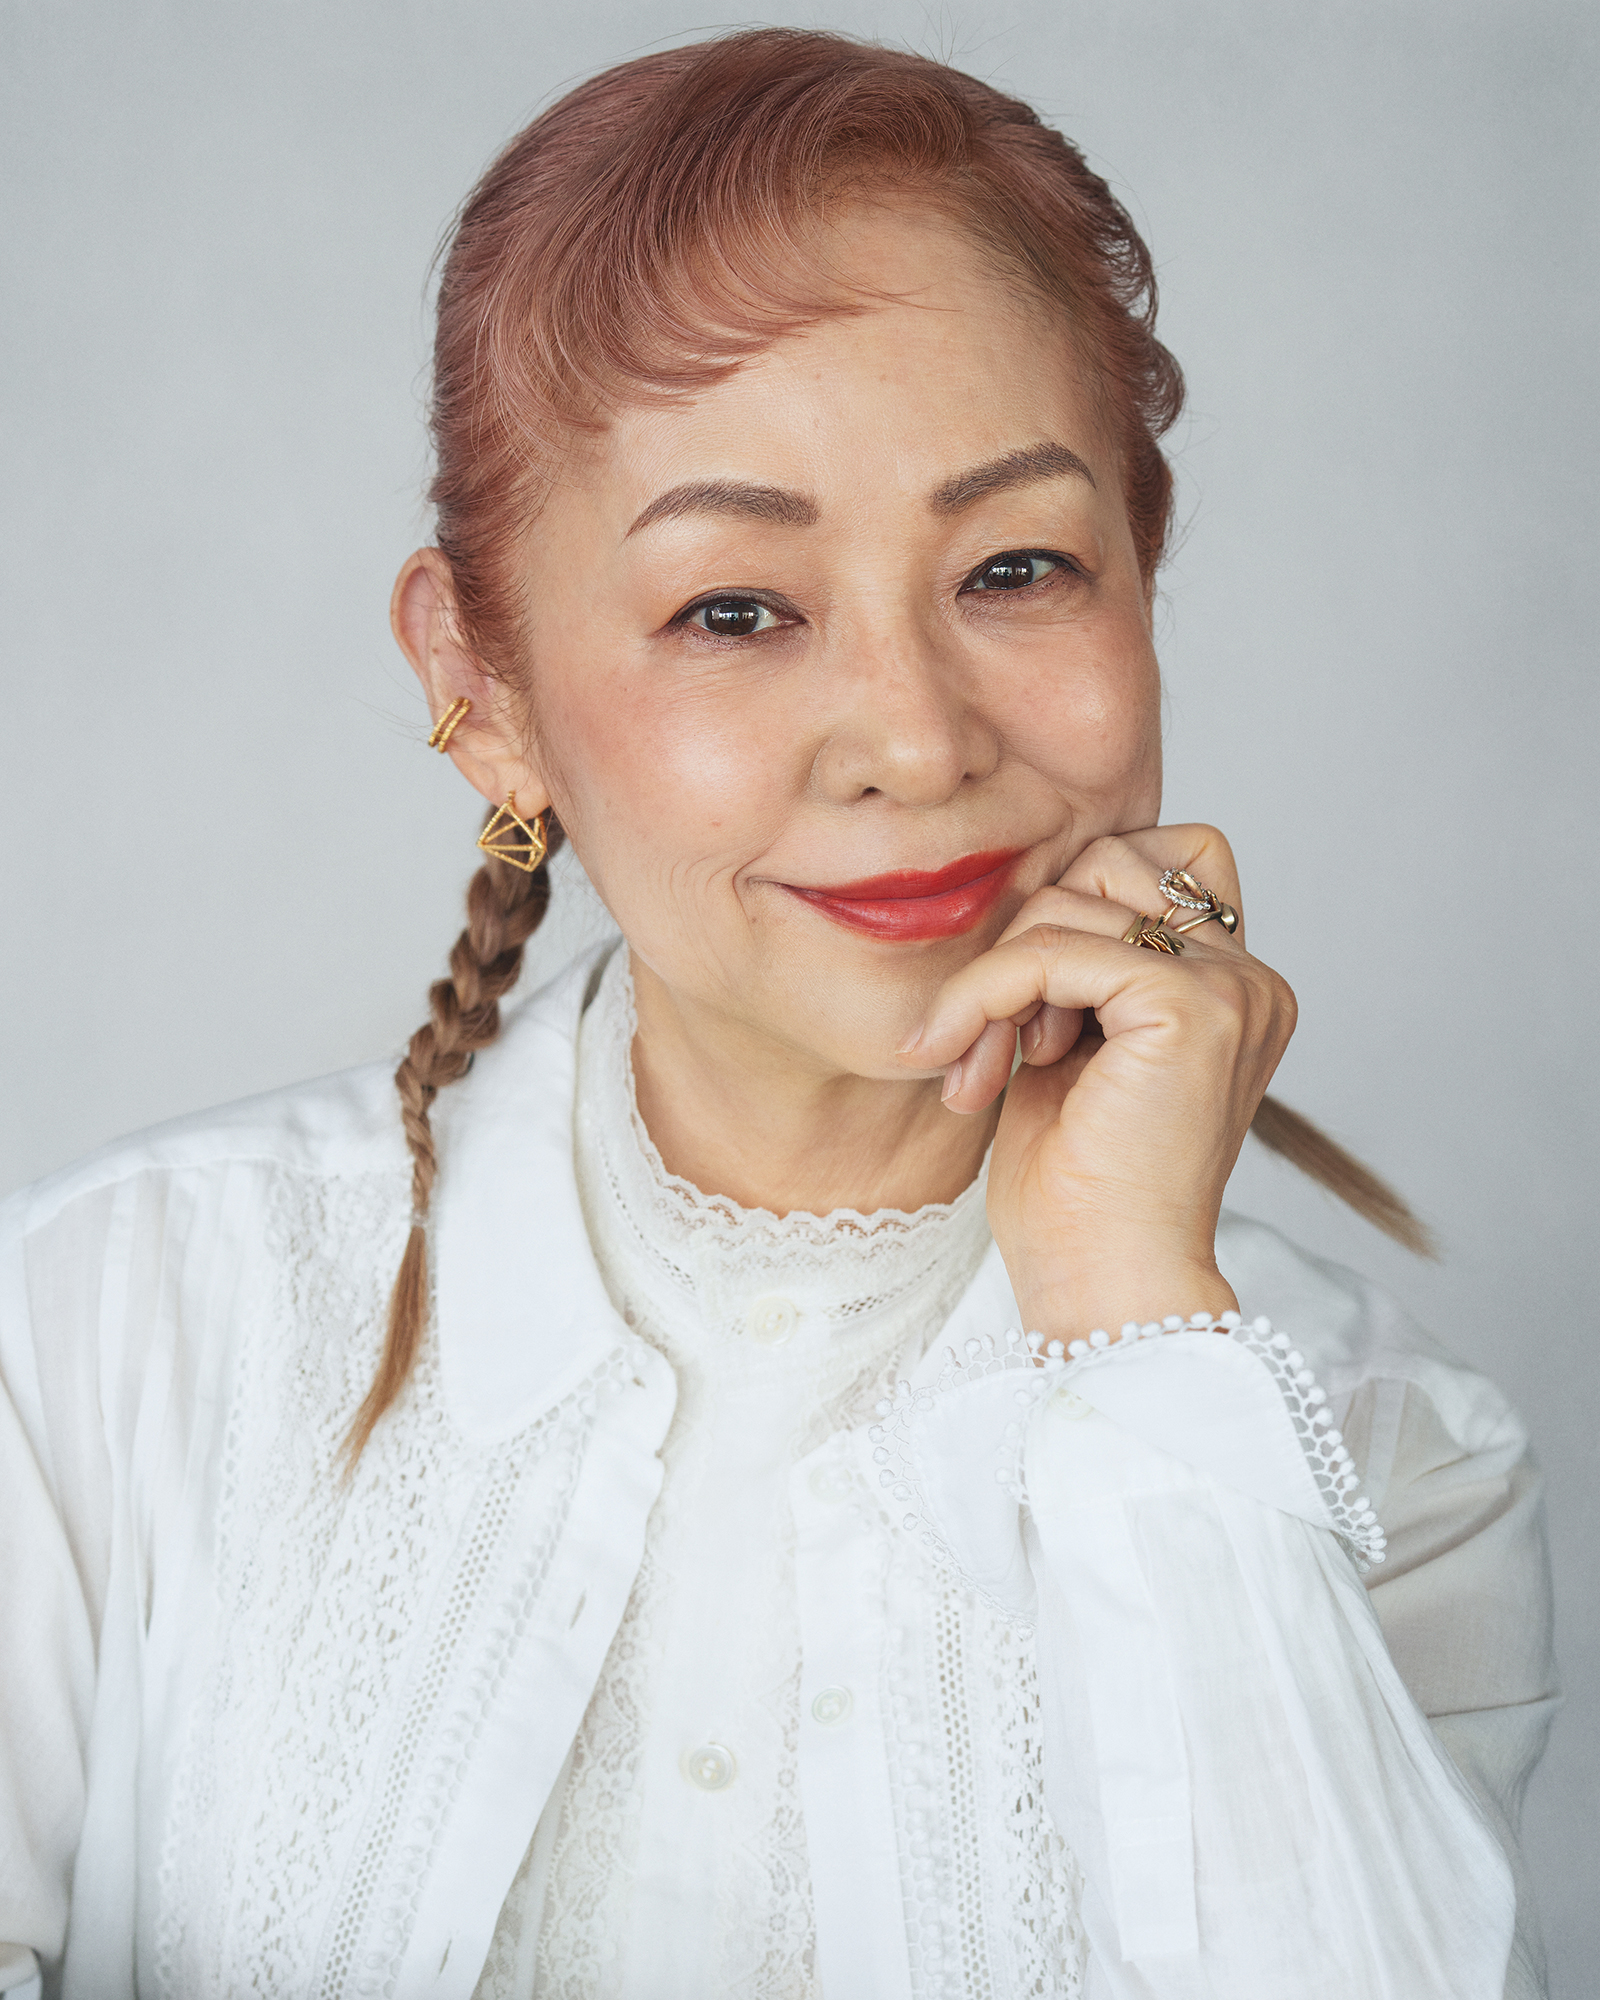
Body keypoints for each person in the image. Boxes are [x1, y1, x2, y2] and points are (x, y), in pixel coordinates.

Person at [0, 28, 1557, 2000]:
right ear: (482, 689)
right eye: (734, 608)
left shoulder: (1379, 1452)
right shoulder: (104, 1333)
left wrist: (1132, 1322)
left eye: (1014, 566)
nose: (913, 734)